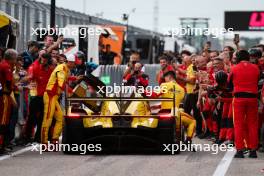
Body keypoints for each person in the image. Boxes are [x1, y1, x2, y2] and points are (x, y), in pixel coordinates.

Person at [41, 54, 82, 147]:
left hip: (54, 97)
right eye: (74, 63)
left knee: (60, 118)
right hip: (50, 96)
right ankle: (44, 143)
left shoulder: (66, 68)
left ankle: (54, 140)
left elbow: (65, 79)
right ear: (70, 62)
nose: (75, 65)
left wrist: (75, 78)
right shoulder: (61, 69)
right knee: (47, 119)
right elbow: (61, 84)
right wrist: (72, 92)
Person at [230, 50, 260, 158]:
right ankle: (253, 151)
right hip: (253, 98)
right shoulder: (256, 67)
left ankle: (240, 150)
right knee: (252, 124)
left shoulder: (234, 68)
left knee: (238, 124)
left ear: (238, 57)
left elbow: (229, 85)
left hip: (239, 98)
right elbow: (258, 81)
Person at [24, 52, 53, 143]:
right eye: (42, 59)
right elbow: (29, 77)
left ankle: (38, 137)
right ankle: (27, 136)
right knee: (32, 117)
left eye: (45, 60)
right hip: (35, 96)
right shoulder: (35, 67)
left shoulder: (50, 69)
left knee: (42, 118)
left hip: (45, 97)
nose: (43, 61)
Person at [0, 49, 17, 154]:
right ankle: (1, 145)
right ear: (12, 58)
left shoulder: (3, 64)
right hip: (4, 96)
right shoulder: (6, 67)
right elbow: (8, 82)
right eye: (15, 58)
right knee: (3, 121)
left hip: (3, 95)